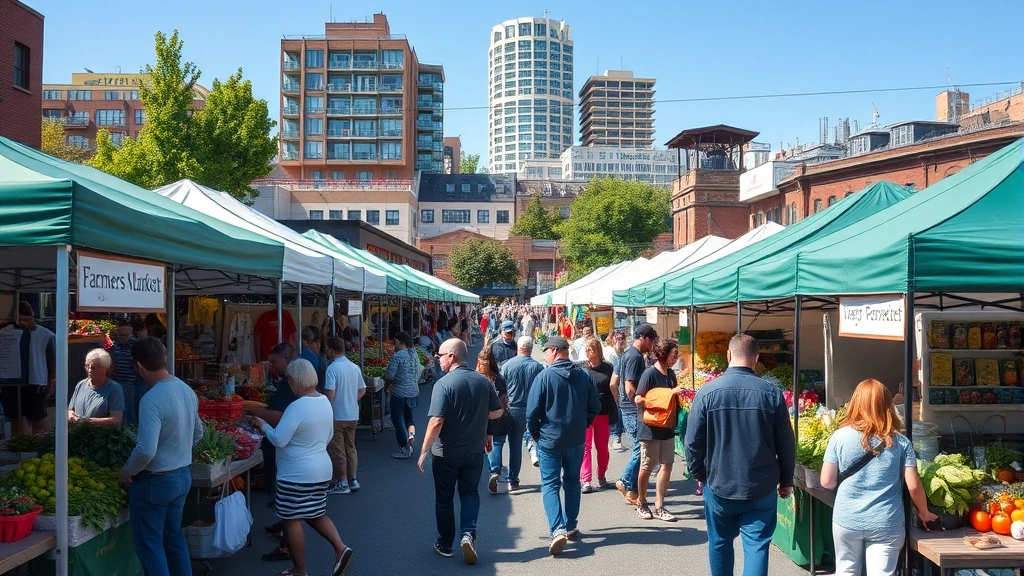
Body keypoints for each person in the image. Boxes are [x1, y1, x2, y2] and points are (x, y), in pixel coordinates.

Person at [685, 334, 796, 576]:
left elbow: (692, 442)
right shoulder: (771, 393)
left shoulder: (707, 392)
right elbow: (786, 443)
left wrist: (701, 474)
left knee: (720, 543)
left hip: (719, 484)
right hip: (761, 485)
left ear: (728, 356)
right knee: (757, 546)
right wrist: (786, 479)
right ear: (756, 359)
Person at [820, 379, 938, 576]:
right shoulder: (901, 442)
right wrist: (924, 513)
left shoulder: (839, 437)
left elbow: (827, 482)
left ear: (855, 403)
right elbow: (913, 484)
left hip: (847, 519)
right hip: (887, 522)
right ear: (887, 405)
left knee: (846, 570)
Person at [249, 359, 354, 576]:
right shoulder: (325, 401)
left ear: (295, 379)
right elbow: (328, 436)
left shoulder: (297, 406)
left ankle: (300, 569)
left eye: (289, 380)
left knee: (292, 518)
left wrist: (262, 425)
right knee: (315, 513)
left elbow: (279, 439)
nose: (288, 384)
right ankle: (340, 548)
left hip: (296, 473)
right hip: (321, 468)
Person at [118, 337, 202, 576]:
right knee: (173, 538)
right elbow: (199, 432)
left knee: (150, 546)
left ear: (139, 366)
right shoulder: (185, 389)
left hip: (156, 482)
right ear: (164, 359)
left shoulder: (151, 399)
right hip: (182, 476)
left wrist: (127, 471)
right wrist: (179, 451)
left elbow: (146, 450)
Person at [418, 338, 502, 565]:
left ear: (452, 356)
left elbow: (436, 421)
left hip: (446, 452)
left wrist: (424, 451)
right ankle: (468, 534)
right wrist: (485, 427)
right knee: (470, 494)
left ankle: (445, 543)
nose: (438, 360)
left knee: (444, 499)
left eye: (440, 356)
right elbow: (497, 411)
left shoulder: (443, 384)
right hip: (474, 450)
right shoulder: (482, 381)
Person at [527, 336, 600, 555]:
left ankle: (558, 528)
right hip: (575, 438)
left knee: (550, 484)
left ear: (555, 351)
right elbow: (594, 406)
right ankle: (570, 524)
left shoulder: (545, 376)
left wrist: (536, 434)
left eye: (546, 351)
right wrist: (583, 424)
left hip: (550, 438)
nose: (545, 356)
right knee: (571, 482)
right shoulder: (584, 376)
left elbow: (532, 413)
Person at [246, 342, 299, 562]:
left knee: (297, 510)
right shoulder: (316, 401)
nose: (273, 366)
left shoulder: (296, 398)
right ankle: (286, 532)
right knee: (297, 510)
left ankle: (291, 550)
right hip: (307, 466)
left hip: (294, 459)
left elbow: (277, 422)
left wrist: (256, 416)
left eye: (275, 361)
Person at [633, 338, 685, 522]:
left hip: (667, 427)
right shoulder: (649, 374)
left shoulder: (671, 375)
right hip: (650, 429)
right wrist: (663, 397)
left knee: (667, 465)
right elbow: (638, 399)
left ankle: (660, 505)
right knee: (647, 466)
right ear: (663, 355)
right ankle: (641, 502)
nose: (675, 358)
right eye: (673, 355)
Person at [615, 324, 658, 506]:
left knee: (640, 448)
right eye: (652, 340)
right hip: (632, 410)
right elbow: (629, 385)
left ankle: (631, 487)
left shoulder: (629, 354)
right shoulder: (635, 357)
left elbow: (614, 381)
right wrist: (639, 403)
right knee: (640, 449)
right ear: (644, 338)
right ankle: (625, 481)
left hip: (627, 409)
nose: (653, 344)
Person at [499, 336, 545, 489]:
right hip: (534, 409)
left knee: (515, 445)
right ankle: (547, 476)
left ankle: (513, 479)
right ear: (531, 348)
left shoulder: (507, 366)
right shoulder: (538, 367)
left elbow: (501, 389)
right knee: (539, 441)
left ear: (518, 347)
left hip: (514, 409)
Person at [323, 337, 365, 495]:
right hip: (352, 414)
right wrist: (350, 400)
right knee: (351, 448)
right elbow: (362, 390)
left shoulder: (332, 369)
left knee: (338, 450)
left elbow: (330, 394)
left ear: (332, 350)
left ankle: (343, 482)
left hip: (337, 416)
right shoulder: (354, 367)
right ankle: (353, 480)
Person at [9, 302, 55, 435]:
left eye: (29, 320)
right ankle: (21, 447)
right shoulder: (7, 332)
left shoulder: (46, 334)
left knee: (38, 418)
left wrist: (51, 381)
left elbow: (53, 361)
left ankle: (38, 448)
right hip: (15, 381)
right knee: (17, 417)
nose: (28, 323)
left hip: (36, 382)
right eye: (25, 319)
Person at [580, 337, 615, 493]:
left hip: (603, 411)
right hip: (586, 412)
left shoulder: (608, 368)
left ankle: (601, 476)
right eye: (586, 349)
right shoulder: (582, 368)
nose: (588, 353)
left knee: (602, 447)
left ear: (597, 351)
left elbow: (612, 386)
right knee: (586, 447)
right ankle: (586, 480)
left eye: (590, 349)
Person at [478, 340, 509, 494]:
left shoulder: (474, 379)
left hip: (479, 420)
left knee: (482, 446)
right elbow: (504, 401)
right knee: (496, 443)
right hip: (497, 417)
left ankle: (487, 471)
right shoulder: (499, 379)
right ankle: (494, 471)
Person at [68, 348, 125, 426]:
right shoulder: (81, 384)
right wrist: (71, 416)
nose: (89, 370)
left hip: (100, 435)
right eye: (86, 366)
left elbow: (116, 419)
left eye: (93, 367)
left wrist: (88, 422)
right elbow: (70, 409)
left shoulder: (114, 389)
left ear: (105, 368)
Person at [386, 331, 420, 459]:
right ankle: (411, 441)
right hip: (413, 391)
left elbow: (390, 375)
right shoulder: (414, 354)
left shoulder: (398, 356)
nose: (394, 344)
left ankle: (403, 448)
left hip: (399, 392)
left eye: (395, 341)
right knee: (409, 419)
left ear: (400, 342)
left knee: (397, 418)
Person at [604, 331, 627, 451]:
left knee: (619, 409)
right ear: (611, 338)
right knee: (616, 409)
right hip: (612, 384)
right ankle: (616, 436)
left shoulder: (624, 352)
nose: (620, 340)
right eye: (617, 338)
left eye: (622, 338)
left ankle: (617, 435)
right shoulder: (609, 352)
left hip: (622, 385)